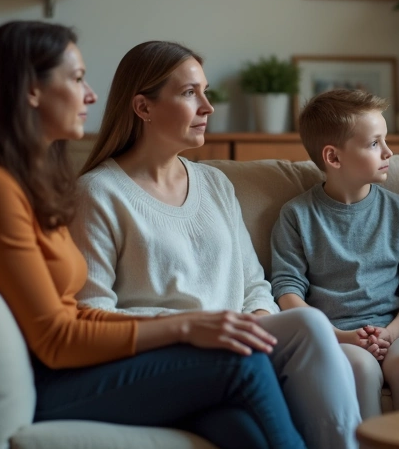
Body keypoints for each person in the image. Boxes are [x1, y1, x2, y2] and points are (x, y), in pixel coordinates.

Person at [0, 22, 305, 449]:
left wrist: (191, 325)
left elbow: (74, 313)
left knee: (237, 427)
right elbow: (57, 339)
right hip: (48, 381)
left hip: (69, 368)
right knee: (242, 363)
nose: (92, 95)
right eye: (77, 79)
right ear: (31, 91)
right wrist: (187, 326)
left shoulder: (24, 181)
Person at [71, 41, 361, 449]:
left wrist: (254, 320)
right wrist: (195, 330)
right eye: (190, 93)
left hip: (237, 352)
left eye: (205, 92)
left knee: (261, 408)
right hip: (164, 359)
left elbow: (254, 283)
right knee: (296, 343)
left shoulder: (214, 184)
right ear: (143, 107)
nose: (207, 106)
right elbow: (92, 313)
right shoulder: (98, 194)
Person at [270, 89, 399, 417]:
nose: (389, 152)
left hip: (393, 331)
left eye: (385, 140)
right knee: (363, 367)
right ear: (333, 157)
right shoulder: (296, 215)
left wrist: (391, 333)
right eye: (374, 144)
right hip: (334, 336)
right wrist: (341, 336)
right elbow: (287, 292)